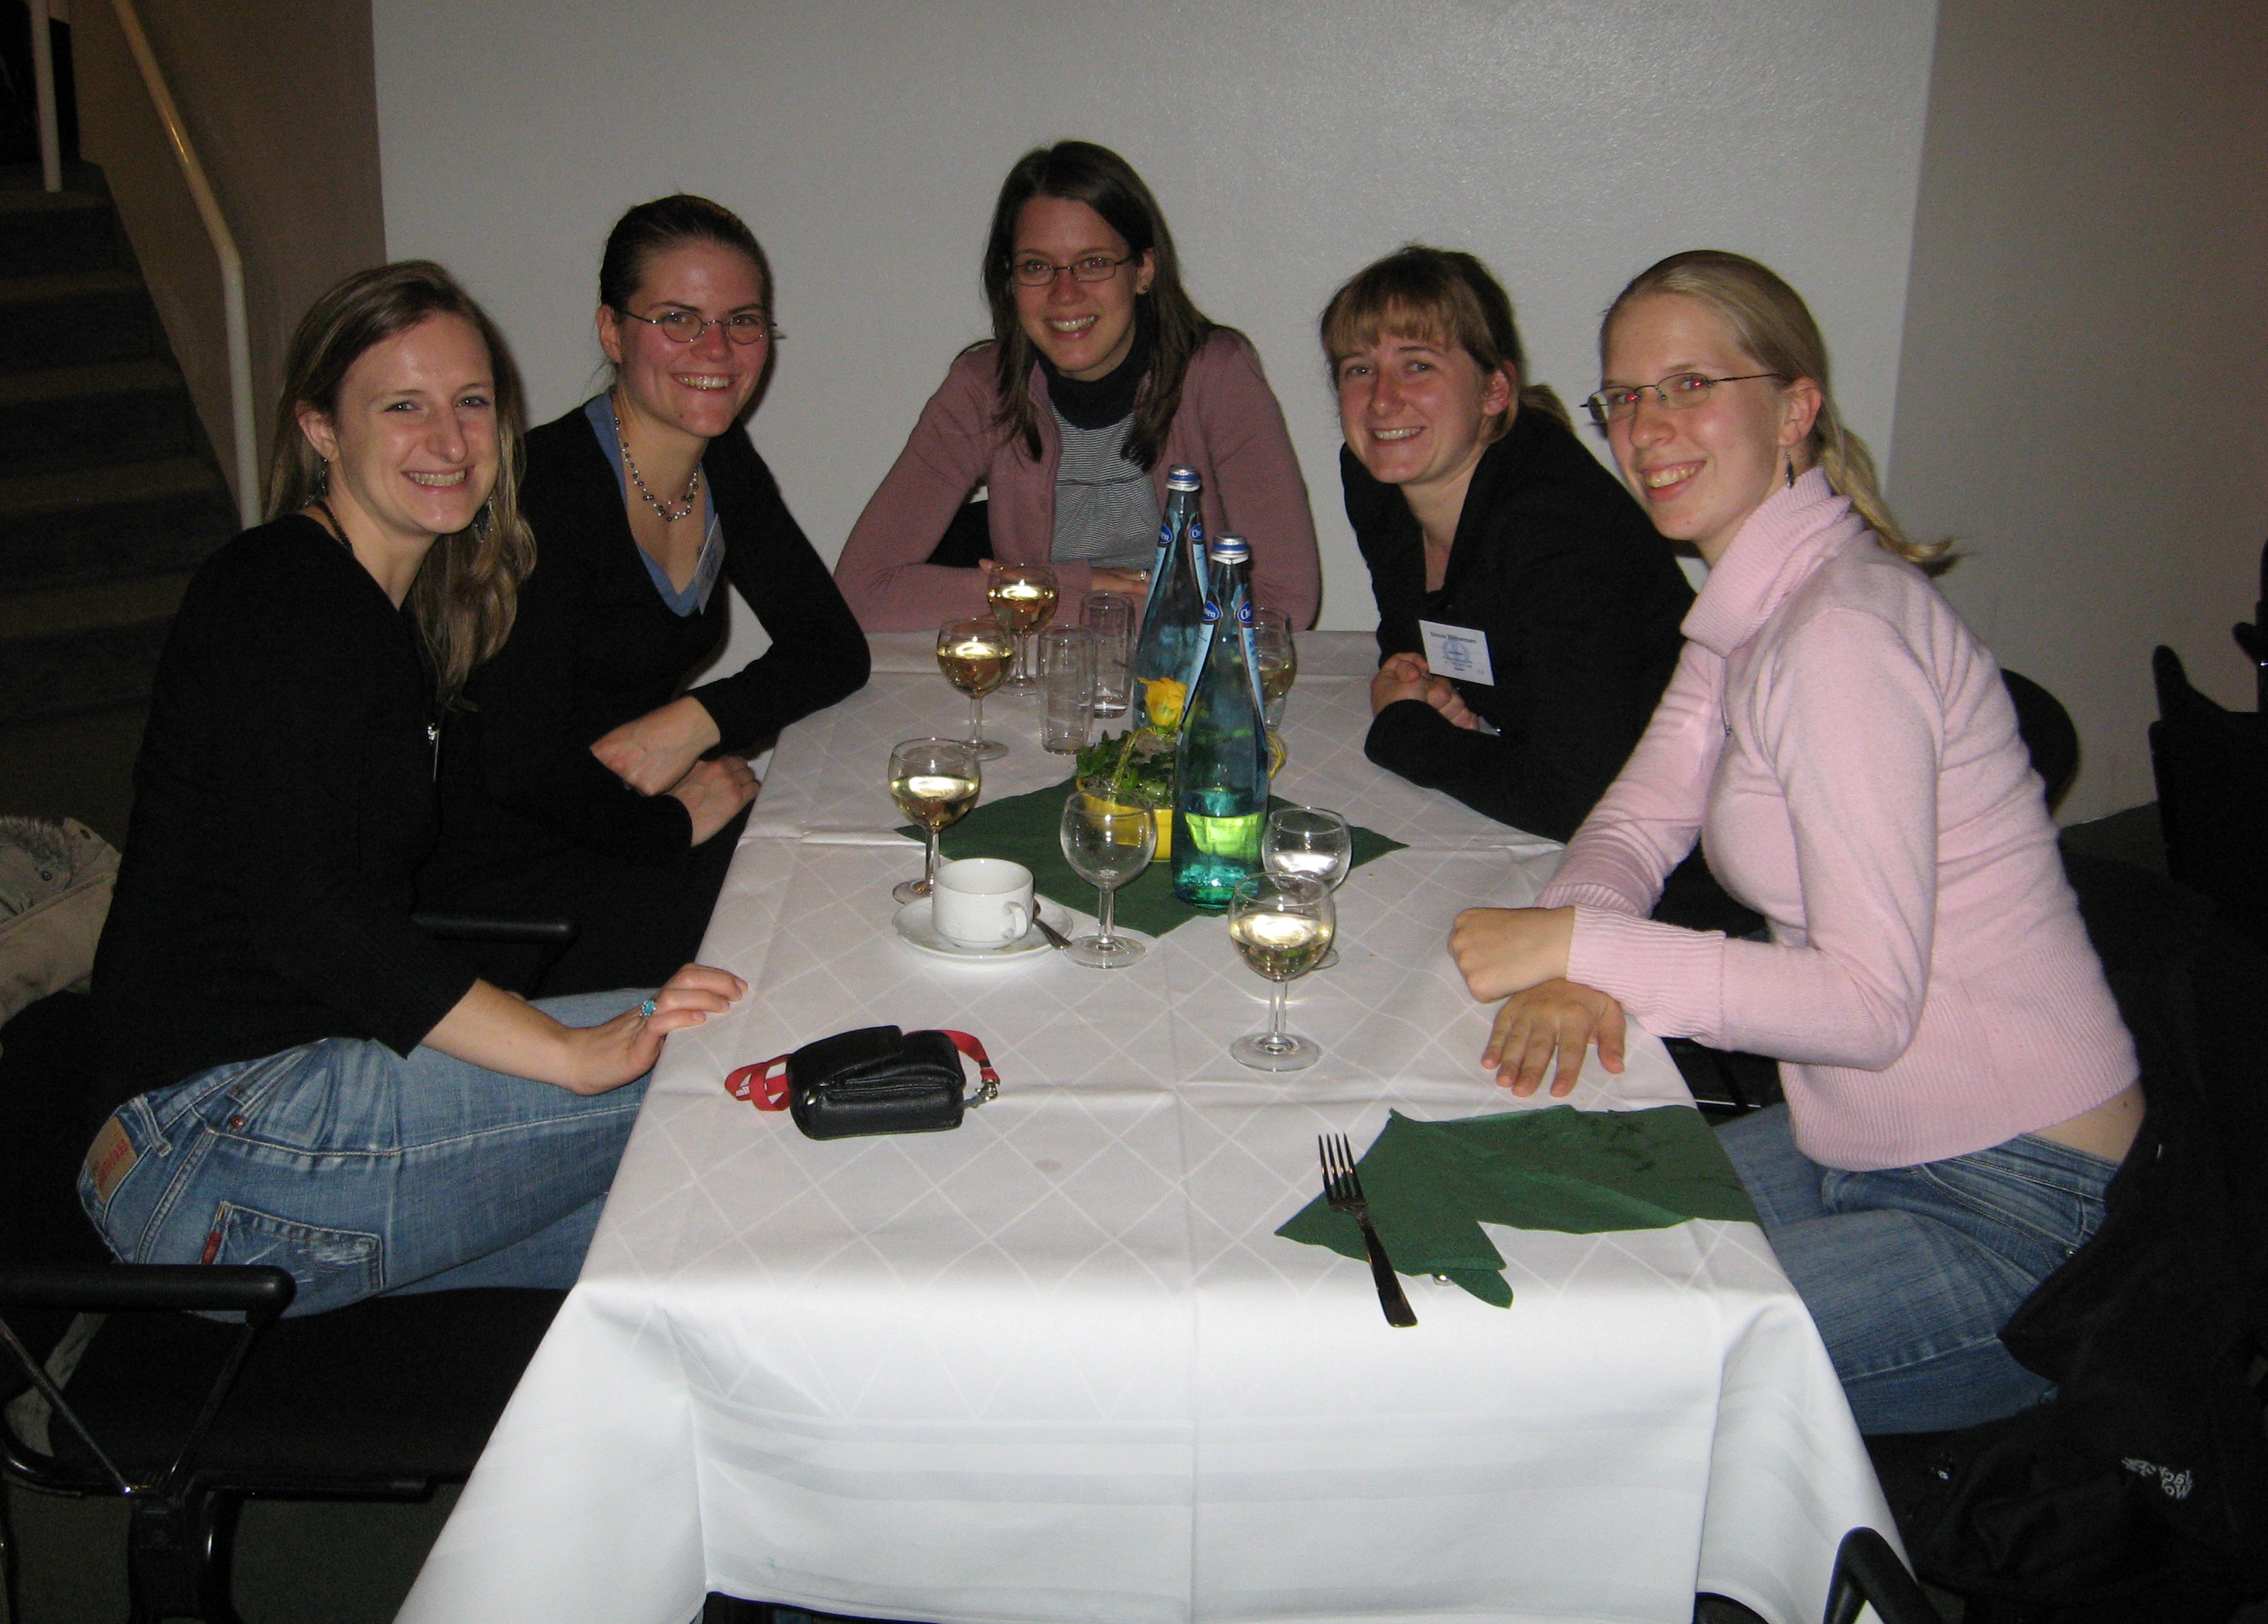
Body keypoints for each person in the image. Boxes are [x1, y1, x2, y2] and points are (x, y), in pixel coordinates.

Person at [1448, 250, 2143, 1433]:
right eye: (1626, 397)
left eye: (1691, 385)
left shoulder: (1840, 637)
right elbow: (1639, 818)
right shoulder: (1750, 612)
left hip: (2022, 1212)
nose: (1647, 428)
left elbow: (1866, 1005)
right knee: (1528, 1228)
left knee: (1569, 1364)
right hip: (1861, 1142)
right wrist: (1578, 944)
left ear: (1795, 407)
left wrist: (1587, 951)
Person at [80, 262, 744, 1317]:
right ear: (322, 430)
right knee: (743, 1056)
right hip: (217, 1147)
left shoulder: (389, 615)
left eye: (471, 402)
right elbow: (310, 914)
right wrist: (565, 1053)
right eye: (402, 406)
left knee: (712, 1230)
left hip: (265, 1139)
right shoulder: (281, 591)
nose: (449, 439)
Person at [420, 197, 869, 993]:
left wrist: (695, 721)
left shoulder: (720, 460)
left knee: (847, 869)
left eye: (742, 321)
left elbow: (833, 648)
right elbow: (520, 768)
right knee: (806, 943)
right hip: (515, 891)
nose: (716, 349)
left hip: (621, 823)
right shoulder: (543, 492)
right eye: (677, 319)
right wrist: (672, 824)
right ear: (611, 331)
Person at [835, 140, 1319, 631]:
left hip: (1188, 666)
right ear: (1010, 280)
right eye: (1036, 266)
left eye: (1093, 263)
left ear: (1144, 269)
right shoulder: (982, 387)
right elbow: (861, 593)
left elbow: (1286, 601)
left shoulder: (1217, 375)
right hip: (1049, 668)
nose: (1065, 294)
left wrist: (1031, 596)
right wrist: (1071, 588)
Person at [1326, 245, 1695, 844]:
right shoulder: (1377, 480)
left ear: (1494, 390)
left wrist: (1405, 730)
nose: (1382, 400)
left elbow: (1576, 796)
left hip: (1681, 838)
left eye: (1417, 365)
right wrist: (1425, 684)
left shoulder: (1556, 525)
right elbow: (1412, 634)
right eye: (1358, 369)